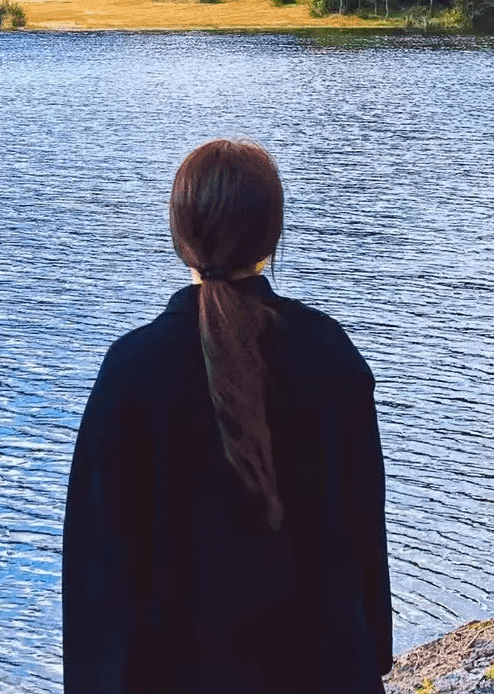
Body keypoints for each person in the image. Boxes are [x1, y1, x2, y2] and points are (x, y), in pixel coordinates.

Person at [62, 138, 392, 693]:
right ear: (272, 234)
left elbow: (99, 569)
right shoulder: (329, 353)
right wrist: (372, 652)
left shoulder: (132, 370)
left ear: (179, 237)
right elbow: (364, 526)